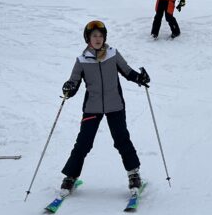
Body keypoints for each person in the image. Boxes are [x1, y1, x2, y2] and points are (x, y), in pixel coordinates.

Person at [59, 20, 149, 194]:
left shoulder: (112, 54)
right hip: (92, 107)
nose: (98, 39)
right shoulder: (82, 60)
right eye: (94, 36)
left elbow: (127, 71)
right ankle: (70, 176)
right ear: (88, 39)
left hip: (115, 105)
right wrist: (68, 88)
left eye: (100, 36)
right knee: (83, 143)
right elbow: (74, 81)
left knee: (122, 139)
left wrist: (140, 78)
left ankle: (133, 174)